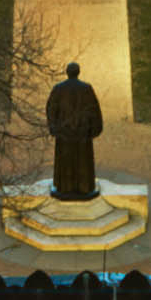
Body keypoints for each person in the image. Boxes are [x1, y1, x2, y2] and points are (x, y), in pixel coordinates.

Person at [44, 60, 104, 200]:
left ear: (67, 72)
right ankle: (84, 187)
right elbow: (94, 109)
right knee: (83, 160)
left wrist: (53, 126)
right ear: (78, 72)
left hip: (64, 132)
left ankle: (65, 187)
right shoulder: (86, 88)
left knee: (65, 160)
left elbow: (51, 109)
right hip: (82, 132)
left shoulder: (58, 88)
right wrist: (94, 129)